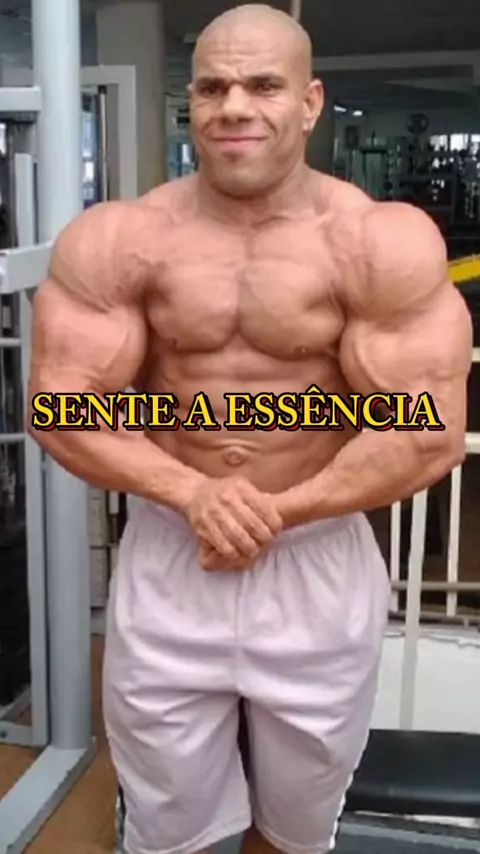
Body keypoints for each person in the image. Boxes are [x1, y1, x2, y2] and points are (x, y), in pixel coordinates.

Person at [27, 4, 472, 854]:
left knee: (297, 824)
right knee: (168, 820)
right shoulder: (120, 239)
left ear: (309, 102)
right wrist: (193, 493)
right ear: (190, 100)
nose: (234, 106)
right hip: (173, 550)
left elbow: (428, 429)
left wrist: (280, 511)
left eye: (263, 85)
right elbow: (60, 404)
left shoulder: (379, 242)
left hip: (313, 557)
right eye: (212, 87)